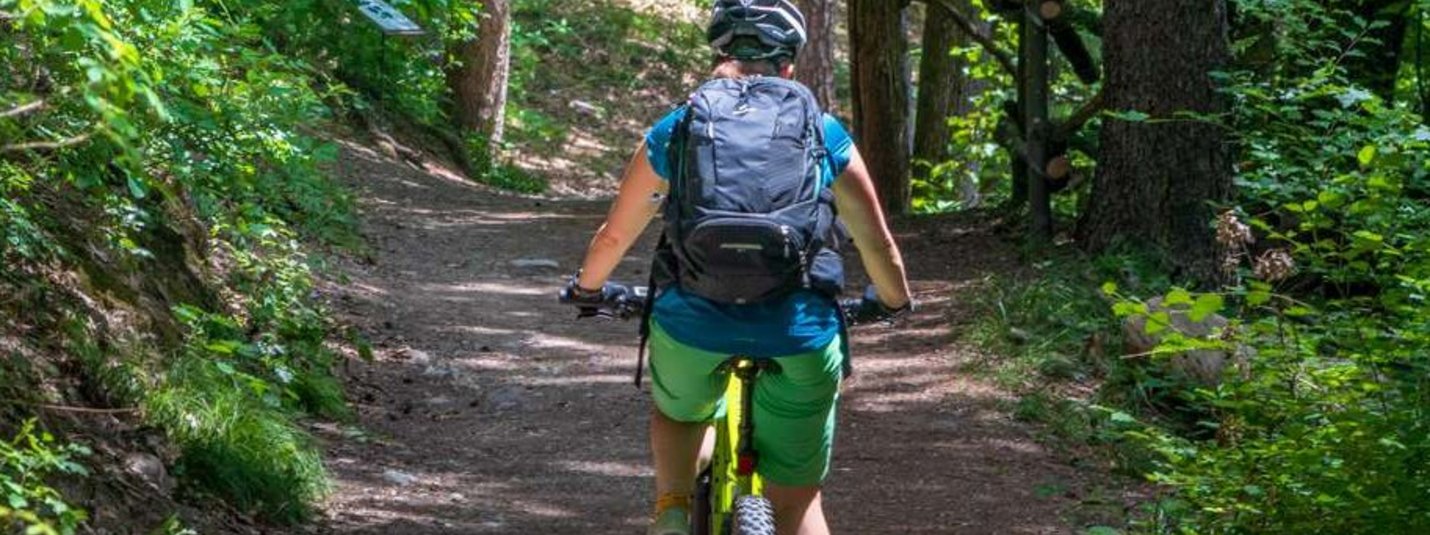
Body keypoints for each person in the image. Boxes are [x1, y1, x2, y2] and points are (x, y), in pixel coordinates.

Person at [562, 1, 911, 534]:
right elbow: (877, 242)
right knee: (797, 502)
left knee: (681, 413)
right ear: (788, 65)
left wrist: (588, 289)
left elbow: (615, 234)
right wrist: (893, 300)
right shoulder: (823, 132)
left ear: (719, 54)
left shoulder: (679, 127)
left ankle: (672, 510)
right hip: (799, 331)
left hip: (692, 324)